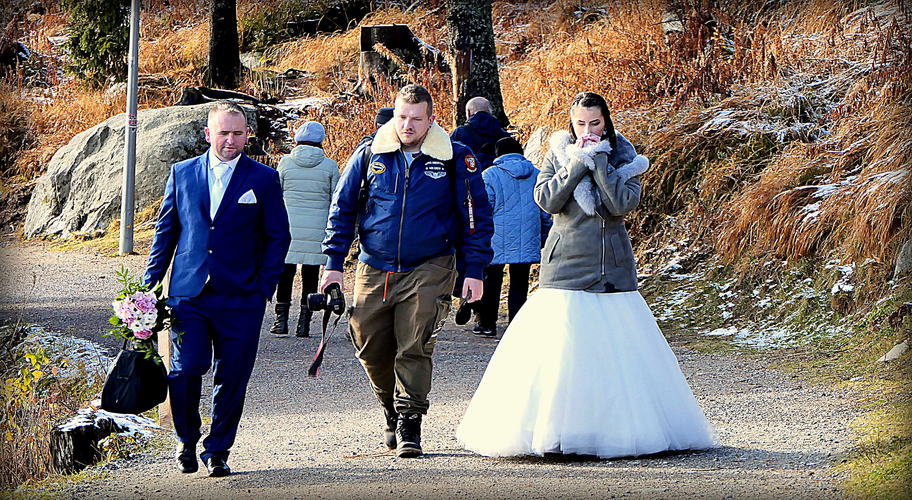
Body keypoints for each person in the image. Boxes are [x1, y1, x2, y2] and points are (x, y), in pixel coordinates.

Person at [456, 92, 718, 459]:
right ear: (571, 122)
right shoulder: (557, 152)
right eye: (581, 123)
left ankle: (620, 431)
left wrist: (599, 165)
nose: (588, 130)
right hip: (564, 265)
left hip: (613, 268)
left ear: (606, 121)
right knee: (560, 356)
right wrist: (577, 162)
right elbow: (546, 199)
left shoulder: (625, 155)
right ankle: (558, 432)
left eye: (595, 123)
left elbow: (620, 205)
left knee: (618, 356)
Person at [321, 84, 493, 458]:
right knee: (368, 345)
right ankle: (390, 407)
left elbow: (475, 217)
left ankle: (409, 420)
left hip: (430, 264)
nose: (408, 125)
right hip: (374, 264)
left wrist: (474, 270)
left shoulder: (454, 158)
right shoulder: (370, 153)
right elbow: (343, 208)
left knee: (414, 344)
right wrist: (333, 264)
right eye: (401, 117)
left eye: (416, 118)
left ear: (432, 119)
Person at [143, 101, 291, 477]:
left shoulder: (263, 178)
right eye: (223, 132)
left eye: (238, 133)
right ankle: (186, 439)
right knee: (185, 369)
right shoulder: (182, 173)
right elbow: (166, 233)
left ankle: (218, 450)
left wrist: (263, 289)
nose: (231, 140)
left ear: (247, 135)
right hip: (188, 293)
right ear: (208, 134)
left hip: (241, 296)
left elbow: (278, 237)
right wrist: (147, 287)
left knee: (233, 378)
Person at [474, 136, 551, 338]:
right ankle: (516, 327)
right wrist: (544, 235)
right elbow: (545, 211)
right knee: (520, 282)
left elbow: (484, 209)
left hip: (496, 237)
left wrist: (478, 237)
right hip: (528, 234)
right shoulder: (537, 174)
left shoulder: (489, 175)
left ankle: (487, 324)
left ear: (498, 153)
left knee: (491, 280)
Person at [270, 121, 340, 337]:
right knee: (310, 274)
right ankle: (304, 323)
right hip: (317, 228)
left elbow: (275, 195)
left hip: (288, 227)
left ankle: (281, 321)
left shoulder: (285, 163)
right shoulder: (330, 166)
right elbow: (336, 199)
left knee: (285, 272)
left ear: (297, 139)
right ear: (321, 141)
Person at [450, 96, 511, 171]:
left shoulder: (460, 133)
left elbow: (449, 158)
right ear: (490, 112)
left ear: (468, 113)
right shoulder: (504, 135)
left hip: (470, 178)